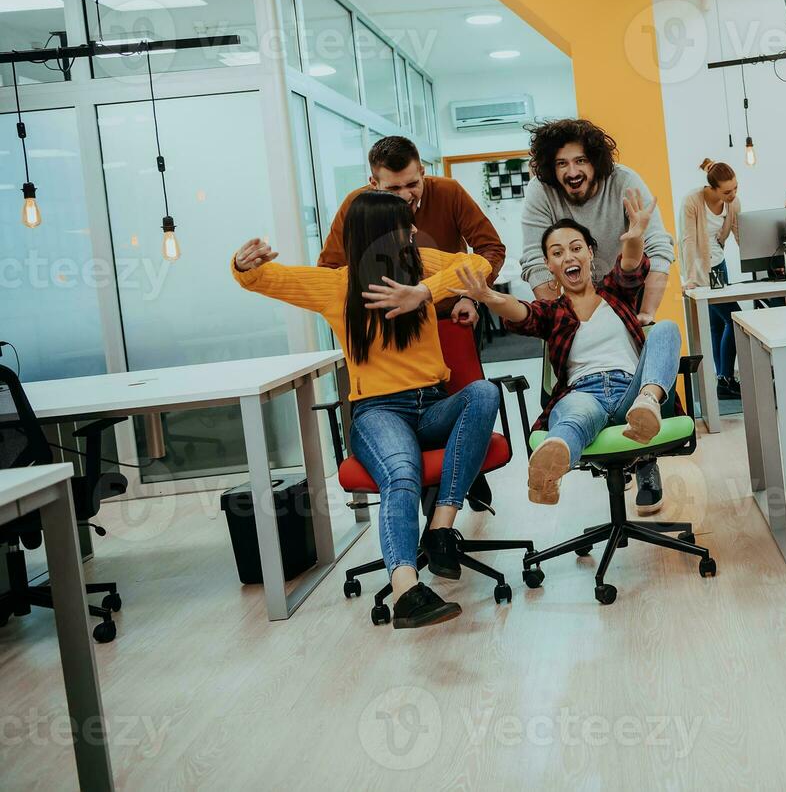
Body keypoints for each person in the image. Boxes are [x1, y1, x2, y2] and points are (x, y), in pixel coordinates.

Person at [232, 192, 501, 628]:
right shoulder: (337, 286)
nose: (414, 231)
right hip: (379, 413)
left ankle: (439, 529)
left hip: (432, 404)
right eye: (404, 225)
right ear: (378, 235)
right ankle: (406, 590)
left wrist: (422, 293)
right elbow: (270, 279)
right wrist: (244, 266)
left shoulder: (422, 265)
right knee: (401, 474)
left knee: (484, 393)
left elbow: (479, 267)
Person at [458, 191, 680, 512]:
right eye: (557, 252)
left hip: (634, 391)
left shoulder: (615, 292)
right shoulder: (553, 312)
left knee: (665, 329)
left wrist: (635, 237)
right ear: (549, 264)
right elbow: (522, 312)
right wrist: (489, 296)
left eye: (576, 248)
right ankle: (549, 470)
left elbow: (630, 265)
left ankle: (648, 404)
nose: (569, 256)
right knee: (575, 418)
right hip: (584, 393)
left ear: (590, 254)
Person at [519, 118, 677, 511]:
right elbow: (534, 264)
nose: (572, 172)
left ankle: (645, 464)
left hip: (626, 290)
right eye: (561, 164)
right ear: (550, 168)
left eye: (581, 161)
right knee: (577, 408)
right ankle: (554, 464)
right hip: (574, 304)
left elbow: (658, 248)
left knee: (646, 359)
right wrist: (562, 312)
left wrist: (644, 314)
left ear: (597, 162)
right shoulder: (541, 193)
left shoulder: (624, 182)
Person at [320, 135, 505, 326]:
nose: (405, 196)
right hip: (383, 323)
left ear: (422, 172)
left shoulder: (449, 192)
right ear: (374, 184)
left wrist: (469, 296)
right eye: (393, 188)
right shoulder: (356, 205)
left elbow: (491, 248)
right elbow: (330, 269)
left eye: (412, 184)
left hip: (449, 316)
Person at [679, 159, 741, 398]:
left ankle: (722, 380)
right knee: (736, 320)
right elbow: (688, 239)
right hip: (700, 269)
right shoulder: (692, 201)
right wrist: (692, 278)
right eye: (727, 191)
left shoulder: (732, 204)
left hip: (719, 266)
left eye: (736, 188)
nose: (733, 194)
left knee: (719, 325)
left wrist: (761, 263)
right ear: (713, 188)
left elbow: (739, 233)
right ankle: (725, 377)